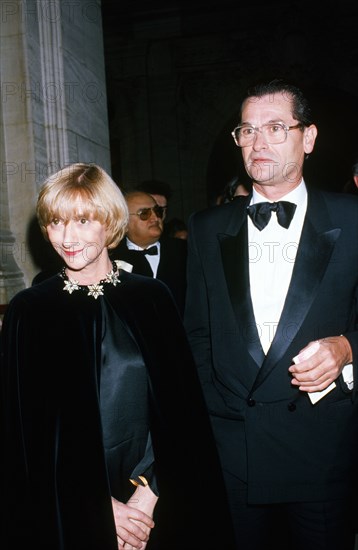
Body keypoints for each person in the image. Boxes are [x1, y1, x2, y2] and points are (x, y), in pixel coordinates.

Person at [0, 163, 235, 550]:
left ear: (109, 223)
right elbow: (27, 434)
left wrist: (147, 497)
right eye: (56, 222)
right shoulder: (31, 310)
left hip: (157, 503)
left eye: (82, 220)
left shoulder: (152, 299)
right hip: (66, 507)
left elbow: (182, 416)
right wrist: (98, 505)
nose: (68, 237)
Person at [184, 78, 358, 550]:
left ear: (310, 137)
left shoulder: (353, 219)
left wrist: (346, 348)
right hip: (233, 454)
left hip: (321, 451)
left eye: (276, 127)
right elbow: (197, 336)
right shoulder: (206, 227)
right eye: (246, 130)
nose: (257, 143)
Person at [110, 191, 187, 316]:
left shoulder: (185, 251)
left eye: (158, 211)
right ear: (124, 222)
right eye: (144, 214)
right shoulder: (110, 258)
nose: (155, 218)